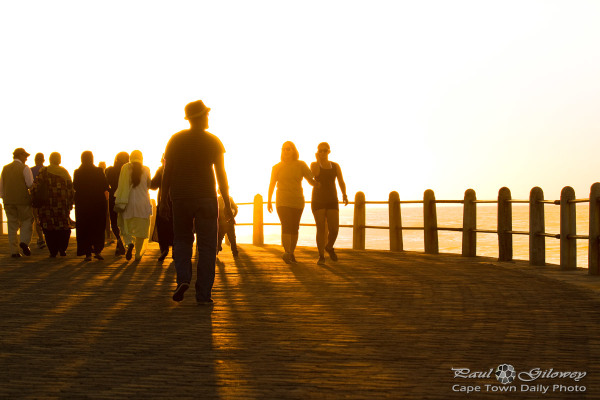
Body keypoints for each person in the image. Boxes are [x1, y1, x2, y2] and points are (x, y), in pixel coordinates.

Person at [160, 100, 234, 305]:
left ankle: (183, 278)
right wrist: (227, 204)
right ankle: (203, 294)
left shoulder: (175, 140)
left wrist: (163, 200)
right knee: (207, 247)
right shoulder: (213, 141)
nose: (208, 117)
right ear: (201, 117)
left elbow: (167, 172)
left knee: (182, 240)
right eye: (206, 114)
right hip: (206, 199)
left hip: (181, 198)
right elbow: (221, 175)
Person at [268, 141, 318, 264]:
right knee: (286, 225)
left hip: (297, 200)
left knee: (294, 227)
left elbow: (310, 179)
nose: (285, 151)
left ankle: (291, 252)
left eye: (288, 149)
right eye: (284, 149)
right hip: (282, 201)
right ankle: (287, 252)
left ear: (293, 150)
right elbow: (272, 185)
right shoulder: (276, 167)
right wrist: (269, 201)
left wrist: (318, 183)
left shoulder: (301, 165)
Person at [310, 142, 349, 265]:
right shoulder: (314, 164)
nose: (322, 153)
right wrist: (317, 160)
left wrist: (344, 194)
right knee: (321, 228)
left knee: (334, 229)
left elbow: (341, 181)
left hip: (332, 199)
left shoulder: (335, 166)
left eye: (324, 150)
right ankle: (321, 256)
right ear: (317, 152)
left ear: (329, 151)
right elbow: (315, 174)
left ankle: (329, 246)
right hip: (318, 199)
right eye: (320, 151)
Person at [30, 152, 74, 257]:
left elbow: (35, 187)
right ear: (59, 160)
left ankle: (53, 251)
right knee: (63, 227)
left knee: (49, 228)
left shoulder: (44, 171)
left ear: (50, 160)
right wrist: (70, 203)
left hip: (46, 206)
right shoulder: (64, 172)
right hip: (62, 206)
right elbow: (71, 189)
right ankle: (62, 248)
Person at [114, 150, 152, 262]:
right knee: (142, 230)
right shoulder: (146, 169)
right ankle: (138, 255)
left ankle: (129, 243)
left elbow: (121, 185)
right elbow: (149, 185)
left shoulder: (125, 168)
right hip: (143, 203)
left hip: (128, 202)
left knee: (125, 226)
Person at [73, 151, 109, 261]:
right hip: (97, 203)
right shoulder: (98, 171)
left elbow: (75, 186)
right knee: (97, 227)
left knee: (85, 228)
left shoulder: (77, 172)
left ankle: (87, 253)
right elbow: (105, 185)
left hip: (83, 204)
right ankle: (97, 251)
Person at [0, 148, 34, 257]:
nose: (26, 158)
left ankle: (14, 251)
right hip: (22, 200)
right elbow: (30, 184)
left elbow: (1, 187)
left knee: (12, 225)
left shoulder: (5, 168)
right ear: (20, 156)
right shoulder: (24, 168)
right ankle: (24, 242)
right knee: (27, 220)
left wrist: (4, 198)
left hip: (8, 201)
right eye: (25, 156)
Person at [150, 154, 174, 262]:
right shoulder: (179, 169)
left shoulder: (161, 170)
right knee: (175, 227)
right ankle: (175, 250)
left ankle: (164, 249)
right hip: (176, 202)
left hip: (164, 202)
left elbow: (153, 186)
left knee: (162, 227)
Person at [105, 152, 129, 255]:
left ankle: (119, 240)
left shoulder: (110, 170)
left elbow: (105, 185)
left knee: (114, 221)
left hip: (113, 197)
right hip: (125, 197)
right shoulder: (128, 170)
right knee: (125, 222)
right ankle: (125, 242)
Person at [30, 152, 47, 249]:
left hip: (35, 198)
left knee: (37, 219)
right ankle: (46, 237)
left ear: (35, 160)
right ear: (43, 160)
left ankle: (41, 239)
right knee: (45, 217)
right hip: (46, 198)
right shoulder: (47, 170)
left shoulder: (31, 170)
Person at [217, 189, 239, 258]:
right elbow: (235, 209)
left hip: (221, 222)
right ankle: (235, 253)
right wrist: (232, 216)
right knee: (232, 238)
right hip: (229, 222)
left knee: (219, 237)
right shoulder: (229, 198)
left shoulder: (217, 199)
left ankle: (217, 249)